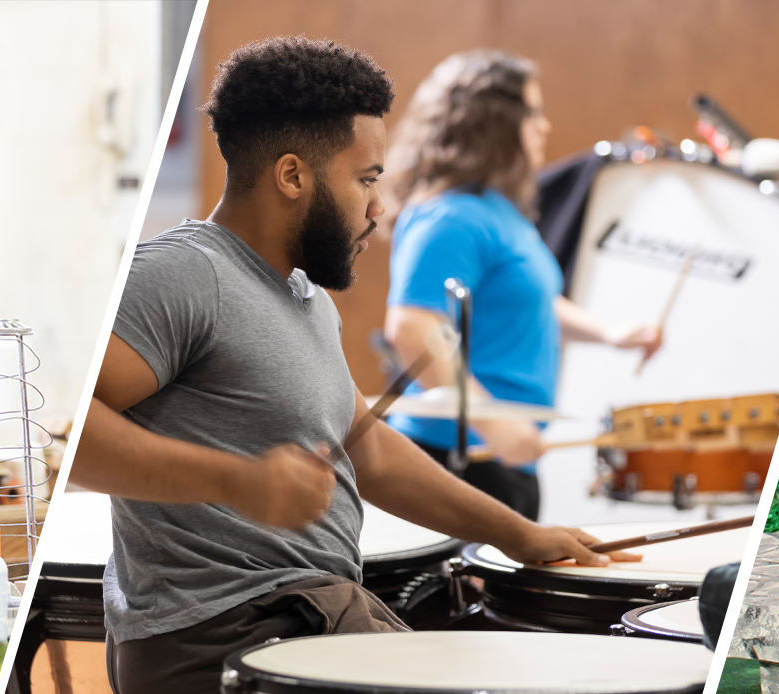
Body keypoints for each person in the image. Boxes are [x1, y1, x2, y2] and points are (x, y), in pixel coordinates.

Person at [71, 37, 639, 694]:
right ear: (292, 176)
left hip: (304, 619)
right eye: (367, 180)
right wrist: (241, 482)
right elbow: (80, 433)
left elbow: (364, 451)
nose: (379, 208)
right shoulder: (183, 275)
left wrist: (517, 533)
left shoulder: (303, 296)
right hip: (221, 640)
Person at [381, 50, 661, 520]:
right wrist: (491, 423)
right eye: (533, 113)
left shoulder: (500, 210)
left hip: (502, 454)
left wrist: (611, 335)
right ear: (495, 121)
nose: (544, 126)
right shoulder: (450, 216)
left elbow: (536, 302)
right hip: (457, 458)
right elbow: (411, 326)